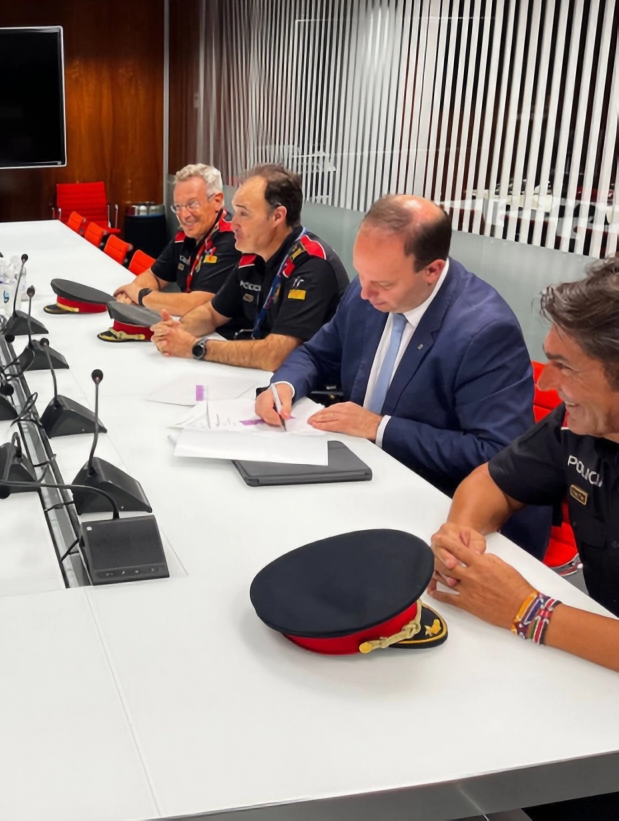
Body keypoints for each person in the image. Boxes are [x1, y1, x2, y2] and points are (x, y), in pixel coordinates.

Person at [428, 258, 619, 820]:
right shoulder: (580, 423)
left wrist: (528, 610)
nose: (545, 382)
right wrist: (461, 533)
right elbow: (491, 480)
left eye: (564, 367)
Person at [255, 194, 546, 556]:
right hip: (363, 475)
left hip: (447, 510)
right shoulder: (367, 294)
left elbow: (496, 455)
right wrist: (283, 385)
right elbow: (316, 353)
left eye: (384, 283)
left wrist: (379, 427)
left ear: (432, 271)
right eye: (362, 274)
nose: (364, 291)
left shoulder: (485, 331)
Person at [150, 165, 349, 369]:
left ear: (277, 217)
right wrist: (176, 330)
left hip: (309, 393)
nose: (233, 222)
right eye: (235, 211)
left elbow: (274, 356)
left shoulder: (312, 265)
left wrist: (194, 347)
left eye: (243, 214)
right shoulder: (253, 256)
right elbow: (211, 314)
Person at [112, 164, 238, 319]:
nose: (183, 215)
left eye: (192, 204)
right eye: (178, 206)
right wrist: (131, 295)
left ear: (217, 201)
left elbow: (196, 304)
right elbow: (154, 276)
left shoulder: (233, 239)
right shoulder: (185, 234)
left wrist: (141, 295)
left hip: (224, 337)